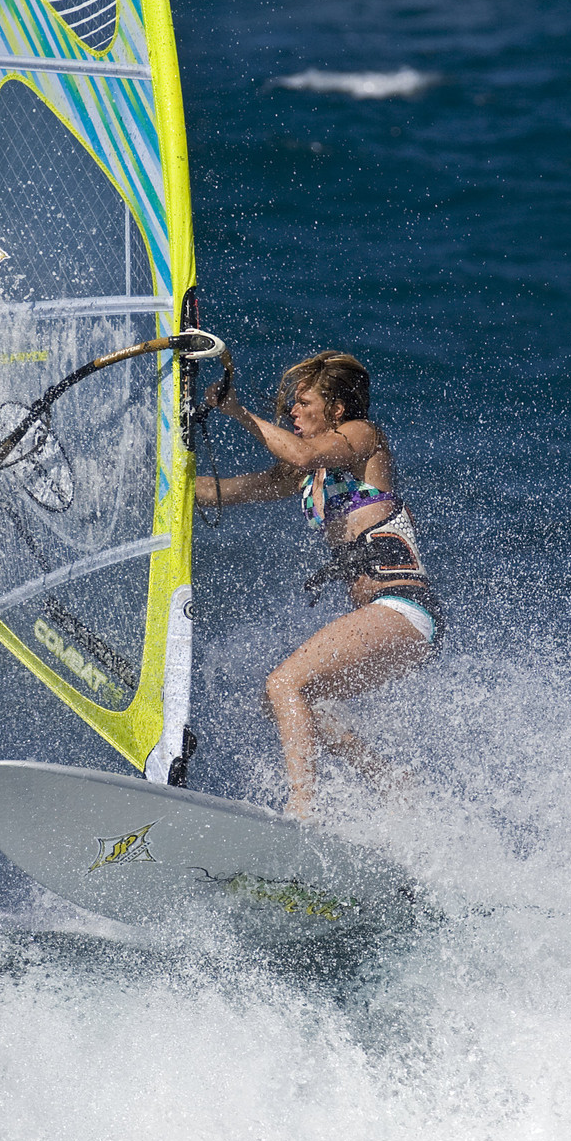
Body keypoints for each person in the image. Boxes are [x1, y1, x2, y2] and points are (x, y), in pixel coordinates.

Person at [194, 350, 441, 817]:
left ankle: (302, 812)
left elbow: (301, 450)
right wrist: (173, 483)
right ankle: (392, 781)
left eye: (304, 402)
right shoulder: (315, 473)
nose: (293, 410)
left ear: (337, 411)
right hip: (390, 617)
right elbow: (241, 489)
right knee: (288, 702)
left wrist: (238, 412)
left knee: (286, 683)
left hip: (403, 608)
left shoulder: (363, 436)